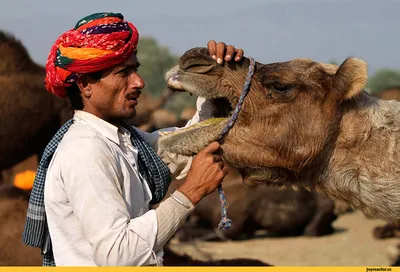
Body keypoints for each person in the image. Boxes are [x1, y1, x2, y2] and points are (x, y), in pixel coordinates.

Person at [22, 12, 244, 266]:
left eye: (135, 70)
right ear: (85, 84)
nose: (139, 82)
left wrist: (215, 78)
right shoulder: (86, 152)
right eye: (123, 73)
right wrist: (190, 193)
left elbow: (186, 146)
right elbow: (119, 255)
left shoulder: (126, 141)